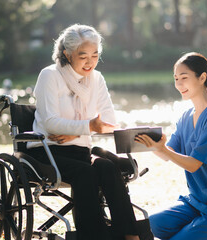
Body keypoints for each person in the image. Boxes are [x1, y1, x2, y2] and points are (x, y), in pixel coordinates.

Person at [25, 24, 140, 240]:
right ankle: (94, 236)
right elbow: (50, 123)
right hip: (47, 151)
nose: (90, 62)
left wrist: (77, 133)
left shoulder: (96, 79)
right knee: (85, 173)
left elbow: (108, 122)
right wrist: (87, 127)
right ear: (67, 54)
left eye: (95, 55)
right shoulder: (50, 75)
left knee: (107, 166)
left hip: (79, 151)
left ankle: (130, 235)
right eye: (83, 56)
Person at [135, 52, 207, 240]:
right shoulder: (185, 117)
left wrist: (162, 149)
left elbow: (193, 164)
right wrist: (152, 144)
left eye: (184, 78)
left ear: (202, 78)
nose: (178, 84)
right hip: (196, 203)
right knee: (145, 228)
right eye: (176, 79)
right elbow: (166, 154)